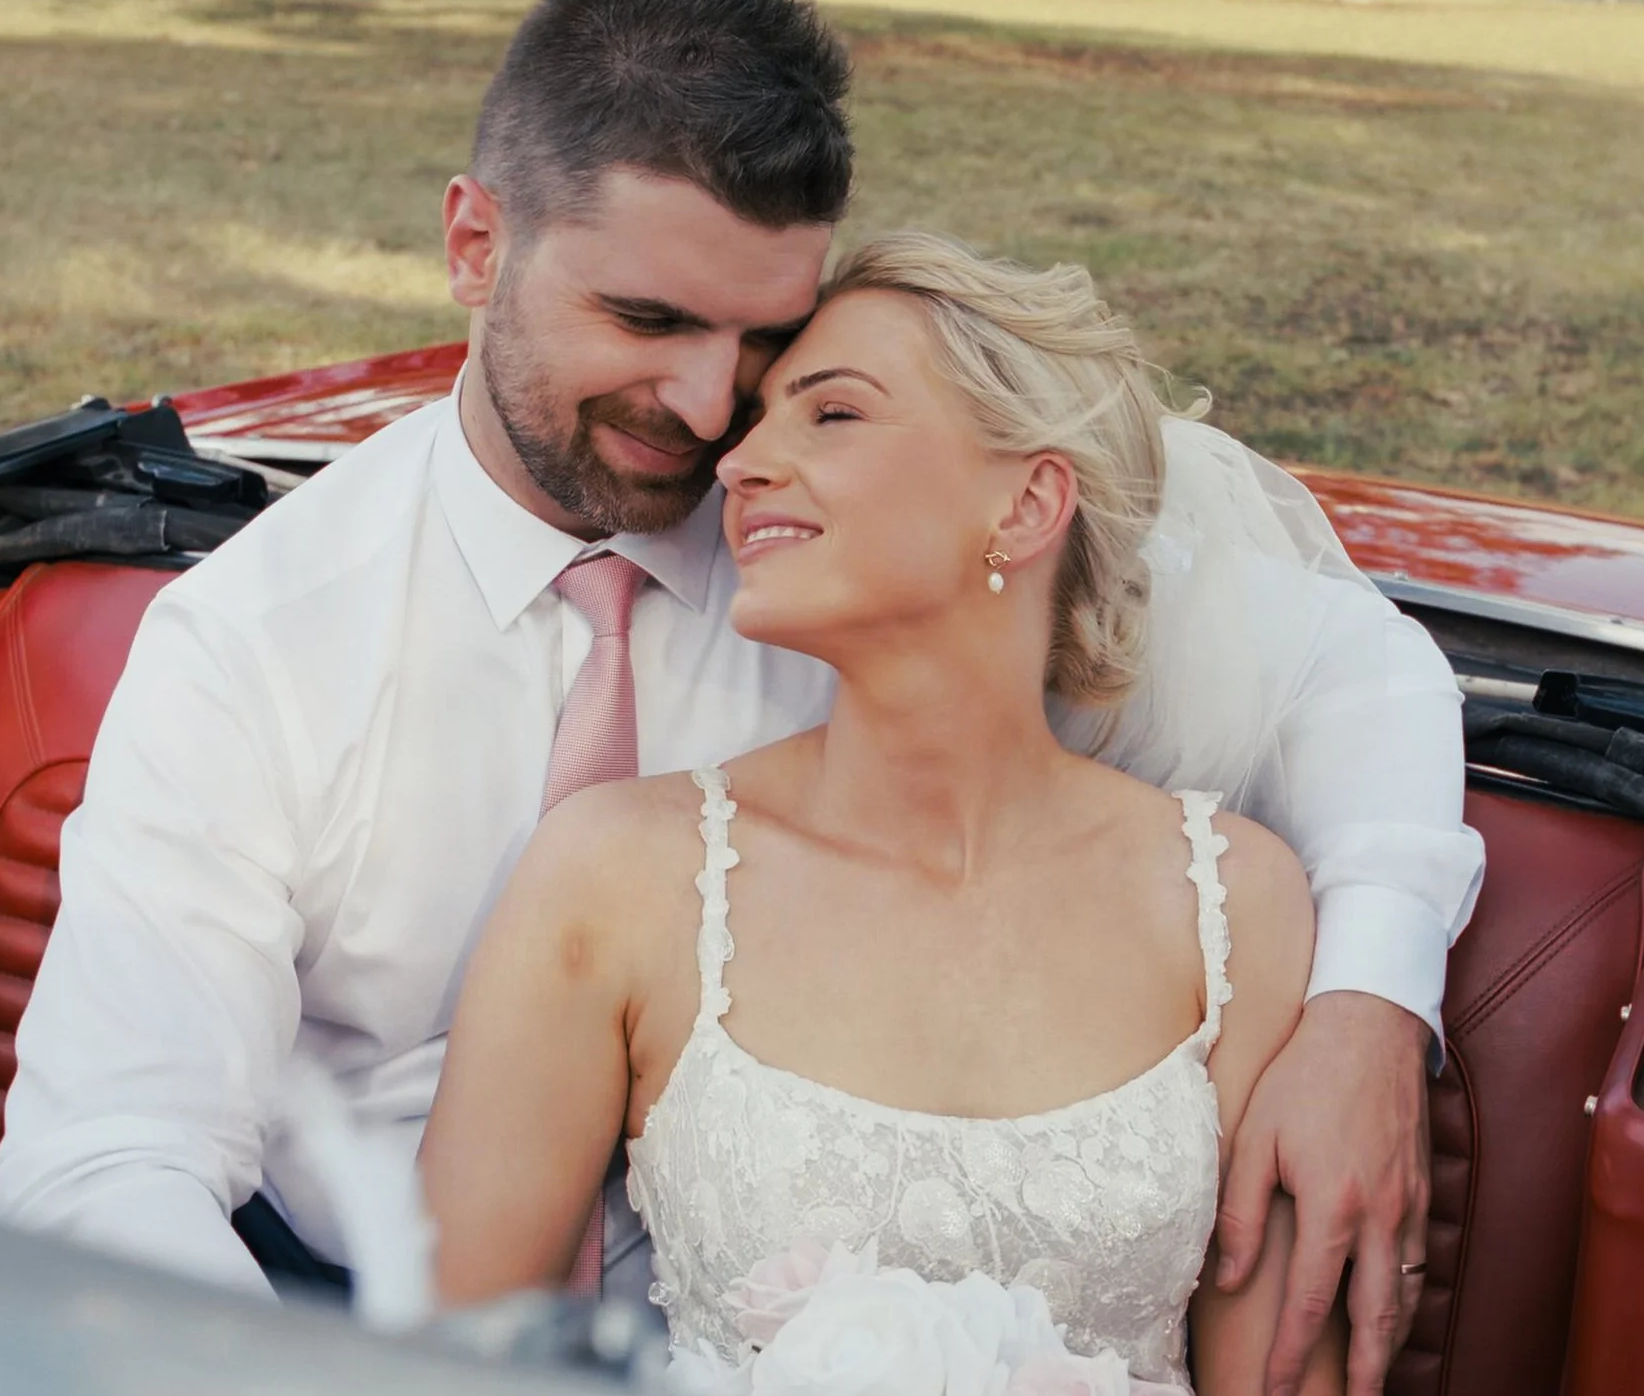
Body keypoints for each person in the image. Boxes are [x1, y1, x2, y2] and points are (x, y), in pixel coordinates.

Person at [0, 0, 1481, 1394]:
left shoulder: (856, 560)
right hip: (368, 1308)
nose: (711, 413)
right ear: (476, 245)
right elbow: (107, 1154)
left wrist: (1368, 1006)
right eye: (647, 322)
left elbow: (1350, 669)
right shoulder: (257, 644)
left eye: (767, 342)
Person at [426, 229, 1344, 1392]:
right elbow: (439, 1356)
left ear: (1024, 504)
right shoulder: (620, 871)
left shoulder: (1234, 904)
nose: (738, 463)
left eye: (833, 414)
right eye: (758, 421)